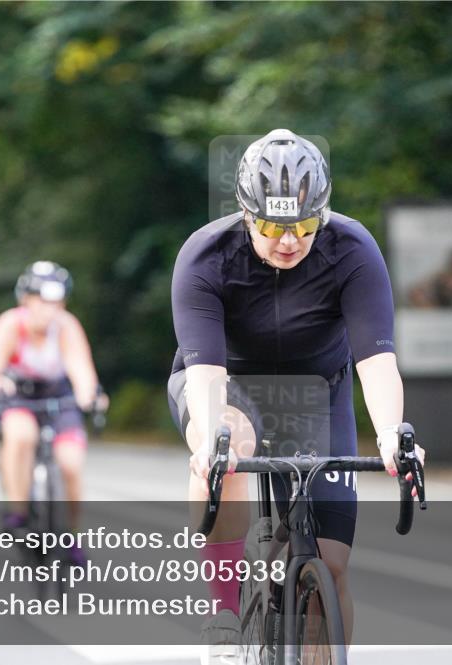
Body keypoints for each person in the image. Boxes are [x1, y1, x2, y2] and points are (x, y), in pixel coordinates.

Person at [168, 129, 425, 662]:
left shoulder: (351, 248)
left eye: (305, 226)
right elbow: (207, 378)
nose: (289, 241)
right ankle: (223, 614)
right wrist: (212, 441)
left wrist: (392, 439)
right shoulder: (206, 256)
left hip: (317, 389)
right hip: (228, 381)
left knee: (330, 565)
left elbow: (376, 364)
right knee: (226, 441)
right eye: (271, 226)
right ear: (245, 213)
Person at [0, 261, 106, 563]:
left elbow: (82, 371)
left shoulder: (67, 326)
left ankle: (71, 536)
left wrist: (90, 396)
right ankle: (18, 513)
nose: (50, 309)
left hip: (59, 398)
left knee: (71, 463)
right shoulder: (10, 324)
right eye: (43, 301)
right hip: (18, 396)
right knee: (20, 436)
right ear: (26, 299)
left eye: (57, 302)